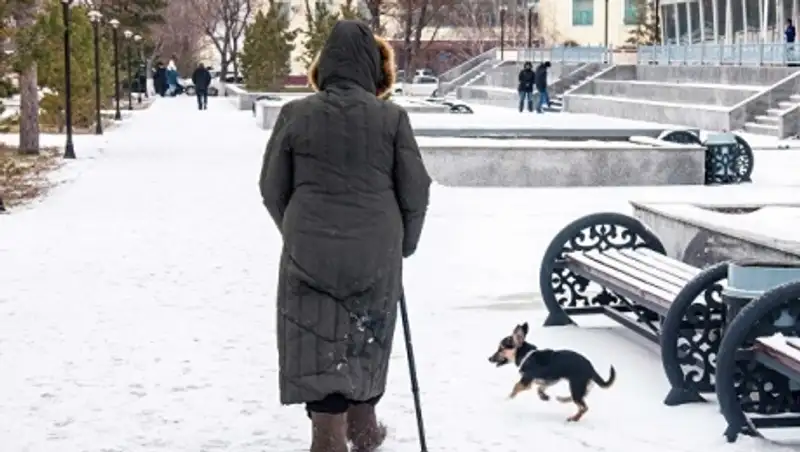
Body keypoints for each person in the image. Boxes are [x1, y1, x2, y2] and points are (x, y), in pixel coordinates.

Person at [259, 20, 431, 452]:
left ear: (325, 65)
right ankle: (363, 423)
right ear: (374, 69)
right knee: (367, 333)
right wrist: (404, 244)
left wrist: (295, 230)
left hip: (309, 251)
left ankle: (329, 432)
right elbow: (416, 189)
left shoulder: (296, 114)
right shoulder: (392, 118)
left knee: (315, 336)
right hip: (376, 249)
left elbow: (271, 186)